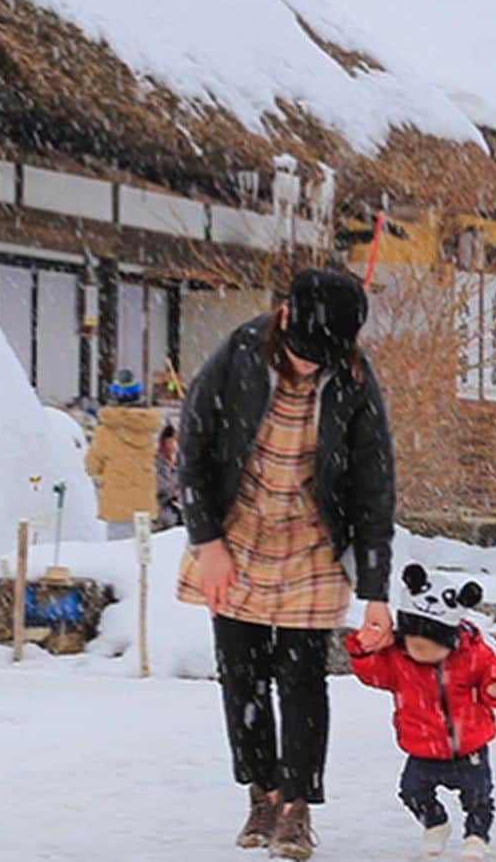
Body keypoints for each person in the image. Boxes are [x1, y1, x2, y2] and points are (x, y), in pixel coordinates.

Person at [177, 268, 395, 859]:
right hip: (237, 538)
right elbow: (192, 447)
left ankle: (297, 808)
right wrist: (207, 542)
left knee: (301, 677)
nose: (307, 367)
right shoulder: (239, 355)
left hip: (311, 542)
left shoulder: (352, 380)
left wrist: (376, 591)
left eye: (320, 358)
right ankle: (262, 792)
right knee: (240, 673)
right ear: (282, 319)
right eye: (301, 355)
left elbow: (376, 488)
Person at [344, 563, 496, 861]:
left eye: (429, 648)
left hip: (469, 749)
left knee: (478, 798)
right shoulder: (398, 661)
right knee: (411, 791)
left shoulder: (471, 654)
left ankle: (476, 837)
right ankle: (435, 823)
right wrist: (362, 650)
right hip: (422, 748)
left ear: (449, 641)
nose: (420, 654)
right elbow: (372, 673)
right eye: (415, 647)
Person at [85, 369, 161, 540]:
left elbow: (92, 466)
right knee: (141, 552)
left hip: (117, 504)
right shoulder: (149, 430)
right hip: (144, 502)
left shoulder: (105, 431)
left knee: (117, 552)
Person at [154, 423, 182, 529]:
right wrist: (173, 491)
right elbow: (158, 486)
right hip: (162, 508)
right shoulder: (157, 461)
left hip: (176, 507)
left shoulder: (180, 461)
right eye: (174, 439)